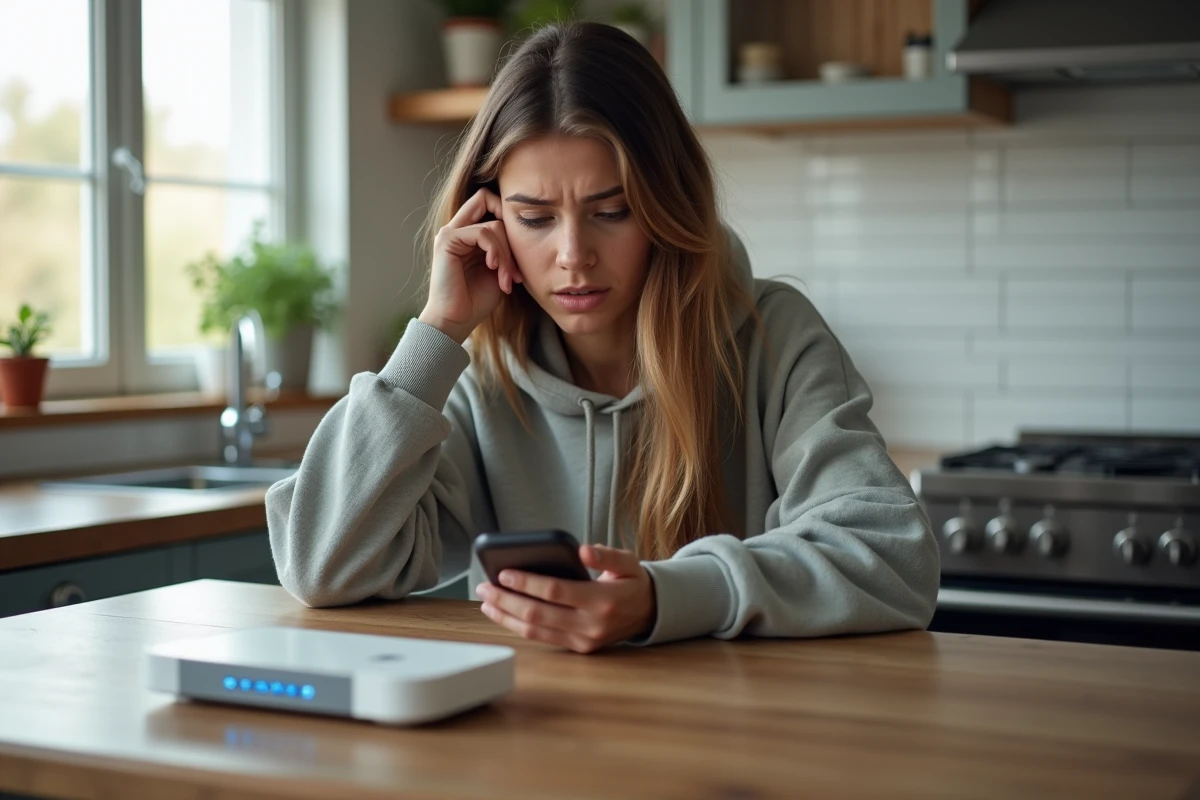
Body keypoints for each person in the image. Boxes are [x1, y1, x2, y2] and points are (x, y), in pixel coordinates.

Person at [266, 21, 939, 653]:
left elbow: (894, 558)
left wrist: (667, 597)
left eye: (612, 211)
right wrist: (437, 332)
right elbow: (320, 567)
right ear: (489, 221)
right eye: (535, 218)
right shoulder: (479, 378)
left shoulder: (776, 337)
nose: (573, 255)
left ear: (666, 205)